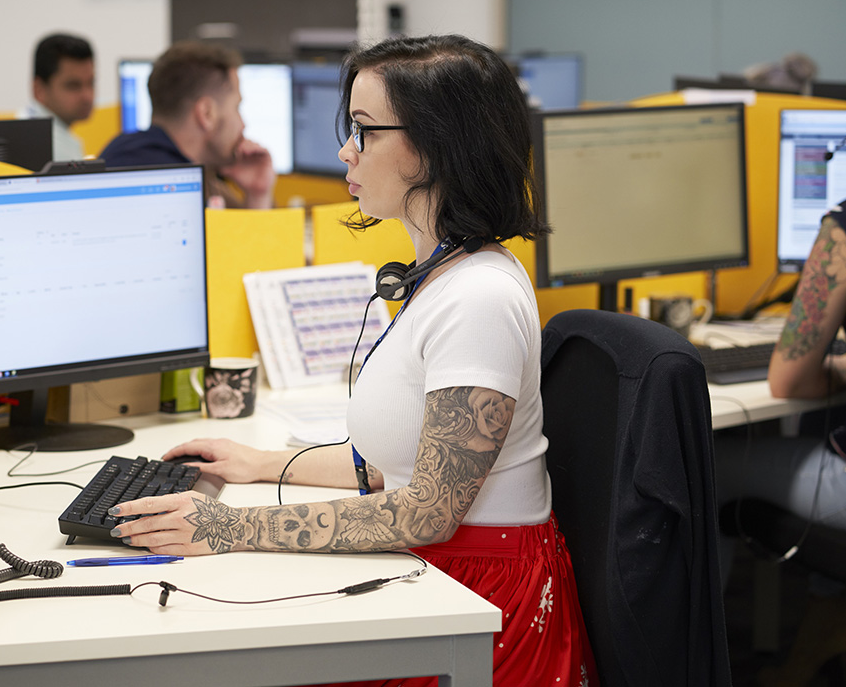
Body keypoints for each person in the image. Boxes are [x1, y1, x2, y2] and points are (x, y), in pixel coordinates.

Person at [107, 34, 598, 686]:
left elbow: (428, 508)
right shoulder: (439, 275)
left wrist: (230, 528)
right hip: (440, 576)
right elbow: (398, 466)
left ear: (433, 145)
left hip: (480, 611)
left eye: (364, 131)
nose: (346, 151)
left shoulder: (479, 296)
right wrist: (259, 463)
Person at [714, 43, 846, 686]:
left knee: (705, 465)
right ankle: (826, 626)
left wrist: (845, 370)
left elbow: (789, 379)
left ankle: (700, 665)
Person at [99, 41, 275, 209]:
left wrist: (257, 193)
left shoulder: (130, 153)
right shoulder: (169, 184)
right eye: (237, 107)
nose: (243, 124)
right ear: (206, 114)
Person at [20, 33, 95, 161]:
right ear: (39, 90)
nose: (87, 96)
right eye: (73, 86)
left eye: (91, 83)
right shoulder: (50, 149)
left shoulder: (28, 127)